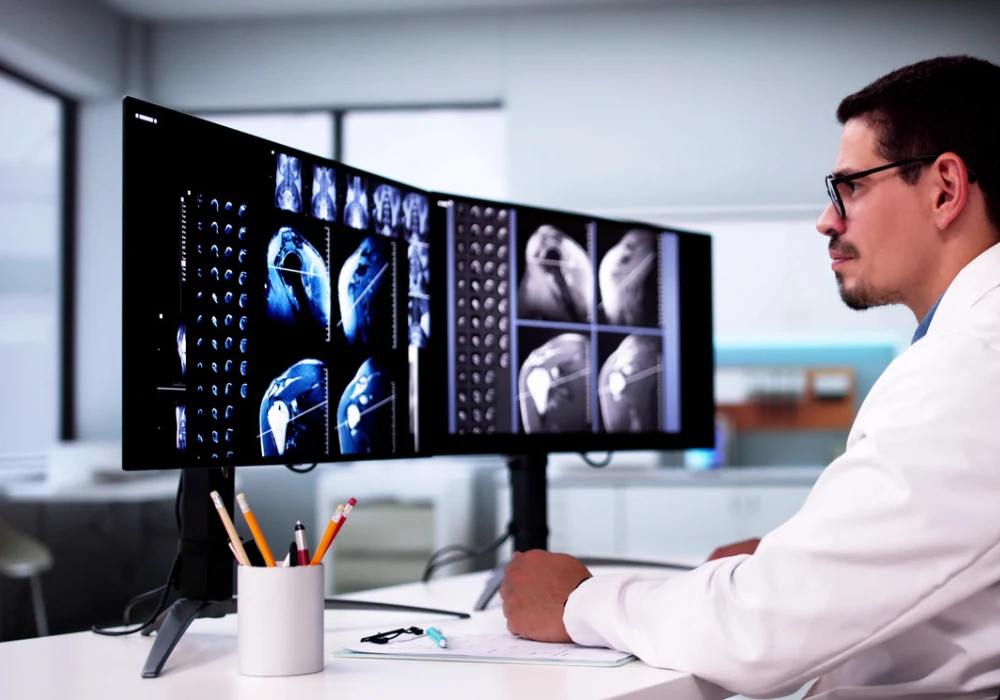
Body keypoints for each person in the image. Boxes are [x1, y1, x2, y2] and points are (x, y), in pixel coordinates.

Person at [499, 55, 1000, 699]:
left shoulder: (970, 365)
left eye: (851, 187)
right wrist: (805, 558)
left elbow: (763, 631)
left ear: (945, 189)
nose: (827, 220)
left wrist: (579, 601)